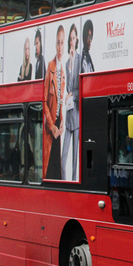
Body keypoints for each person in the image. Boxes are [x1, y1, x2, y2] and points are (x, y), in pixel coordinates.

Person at [43, 25, 65, 179]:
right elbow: (44, 100)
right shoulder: (50, 67)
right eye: (58, 42)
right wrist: (52, 126)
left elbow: (62, 101)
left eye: (62, 42)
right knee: (49, 172)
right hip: (51, 129)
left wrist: (62, 121)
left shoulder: (64, 71)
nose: (60, 46)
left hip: (59, 128)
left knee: (59, 172)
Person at [62, 23, 81, 180]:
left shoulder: (80, 60)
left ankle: (74, 184)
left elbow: (80, 88)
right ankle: (64, 182)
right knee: (64, 159)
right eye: (70, 39)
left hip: (77, 116)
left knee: (76, 159)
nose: (71, 41)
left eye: (73, 38)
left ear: (77, 40)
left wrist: (72, 96)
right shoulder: (68, 63)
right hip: (68, 115)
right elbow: (67, 87)